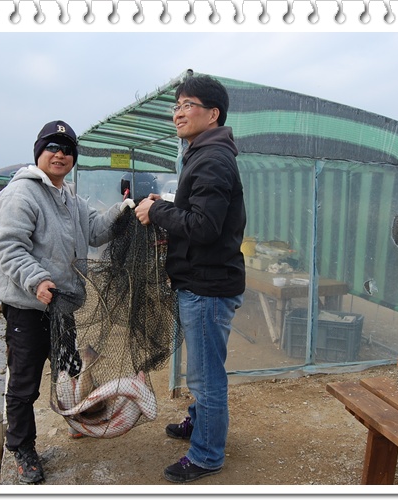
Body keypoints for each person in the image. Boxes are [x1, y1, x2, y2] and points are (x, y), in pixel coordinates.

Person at [0, 120, 134, 484]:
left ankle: (75, 419)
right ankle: (23, 449)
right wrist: (37, 280)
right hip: (27, 305)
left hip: (62, 304)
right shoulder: (21, 194)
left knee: (68, 369)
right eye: (53, 147)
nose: (60, 154)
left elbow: (97, 231)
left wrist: (125, 209)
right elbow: (9, 248)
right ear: (39, 152)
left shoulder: (70, 198)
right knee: (24, 384)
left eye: (68, 150)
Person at [134, 75, 246, 483]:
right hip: (202, 282)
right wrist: (166, 203)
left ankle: (207, 454)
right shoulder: (203, 153)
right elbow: (200, 211)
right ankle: (200, 423)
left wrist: (156, 211)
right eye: (176, 106)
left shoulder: (212, 158)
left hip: (207, 287)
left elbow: (204, 227)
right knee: (204, 368)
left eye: (188, 105)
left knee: (205, 376)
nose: (178, 113)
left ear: (213, 114)